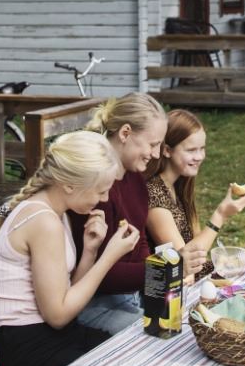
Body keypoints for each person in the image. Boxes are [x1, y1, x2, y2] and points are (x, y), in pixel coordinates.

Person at [0, 130, 142, 366]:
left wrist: (90, 252)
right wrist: (108, 258)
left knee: (135, 353)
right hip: (30, 355)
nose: (105, 199)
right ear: (69, 185)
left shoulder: (54, 212)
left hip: (53, 337)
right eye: (101, 190)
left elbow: (64, 296)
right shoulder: (44, 221)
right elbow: (58, 316)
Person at [69, 92, 188, 332]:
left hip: (130, 295)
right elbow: (101, 275)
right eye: (152, 144)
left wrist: (161, 272)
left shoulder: (135, 179)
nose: (156, 154)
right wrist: (165, 269)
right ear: (125, 133)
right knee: (158, 338)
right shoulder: (95, 191)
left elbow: (139, 241)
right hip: (93, 303)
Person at [145, 109, 245, 280]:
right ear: (167, 150)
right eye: (191, 150)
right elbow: (185, 263)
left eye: (202, 148)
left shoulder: (180, 185)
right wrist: (220, 215)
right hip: (172, 287)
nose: (200, 156)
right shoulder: (153, 194)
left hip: (190, 279)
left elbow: (198, 245)